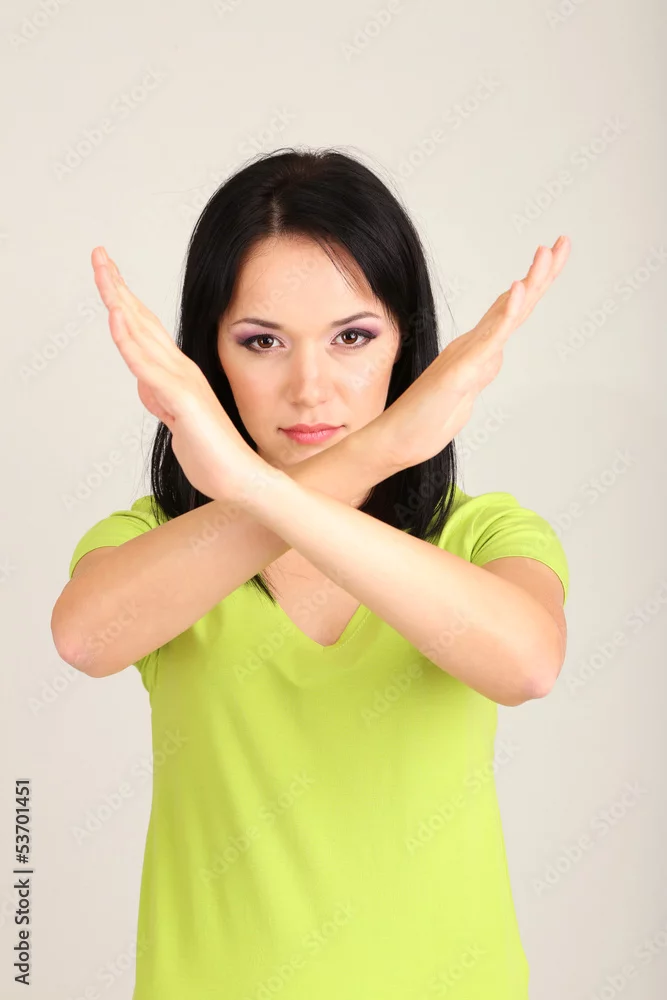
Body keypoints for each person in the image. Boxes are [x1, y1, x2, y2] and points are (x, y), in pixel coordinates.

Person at [51, 148, 570, 1000]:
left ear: (406, 345)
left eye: (352, 338)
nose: (309, 387)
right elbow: (84, 638)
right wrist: (384, 445)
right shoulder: (156, 539)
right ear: (208, 360)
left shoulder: (482, 534)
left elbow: (527, 665)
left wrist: (257, 483)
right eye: (261, 342)